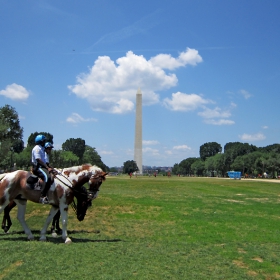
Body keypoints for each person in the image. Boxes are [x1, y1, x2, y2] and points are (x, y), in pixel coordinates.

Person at [31, 135, 53, 204]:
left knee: (51, 176)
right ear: (41, 141)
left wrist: (50, 168)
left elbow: (44, 161)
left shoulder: (42, 149)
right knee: (47, 177)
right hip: (37, 167)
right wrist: (47, 167)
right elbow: (38, 160)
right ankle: (42, 196)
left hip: (41, 167)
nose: (44, 142)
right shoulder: (37, 148)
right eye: (44, 141)